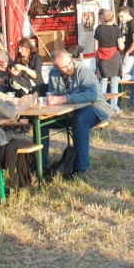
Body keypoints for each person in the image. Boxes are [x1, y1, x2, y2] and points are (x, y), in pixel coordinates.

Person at [42, 49, 114, 178]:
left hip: (95, 107)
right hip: (68, 110)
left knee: (80, 120)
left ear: (70, 58)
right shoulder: (53, 73)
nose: (69, 67)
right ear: (55, 67)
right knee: (42, 123)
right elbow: (53, 94)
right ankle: (41, 165)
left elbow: (91, 95)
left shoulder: (82, 70)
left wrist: (65, 99)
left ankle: (80, 169)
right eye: (64, 67)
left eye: (69, 63)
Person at [93, 9, 124, 111]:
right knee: (114, 82)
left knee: (103, 81)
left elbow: (95, 48)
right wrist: (123, 40)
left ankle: (102, 106)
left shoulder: (98, 29)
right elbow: (121, 47)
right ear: (112, 18)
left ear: (103, 18)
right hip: (114, 57)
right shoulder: (116, 30)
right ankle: (114, 106)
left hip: (102, 58)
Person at [118, 7, 134, 108]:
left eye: (121, 16)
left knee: (121, 75)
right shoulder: (127, 24)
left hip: (132, 54)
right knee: (132, 81)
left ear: (127, 13)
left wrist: (127, 52)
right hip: (129, 54)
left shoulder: (133, 24)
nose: (120, 19)